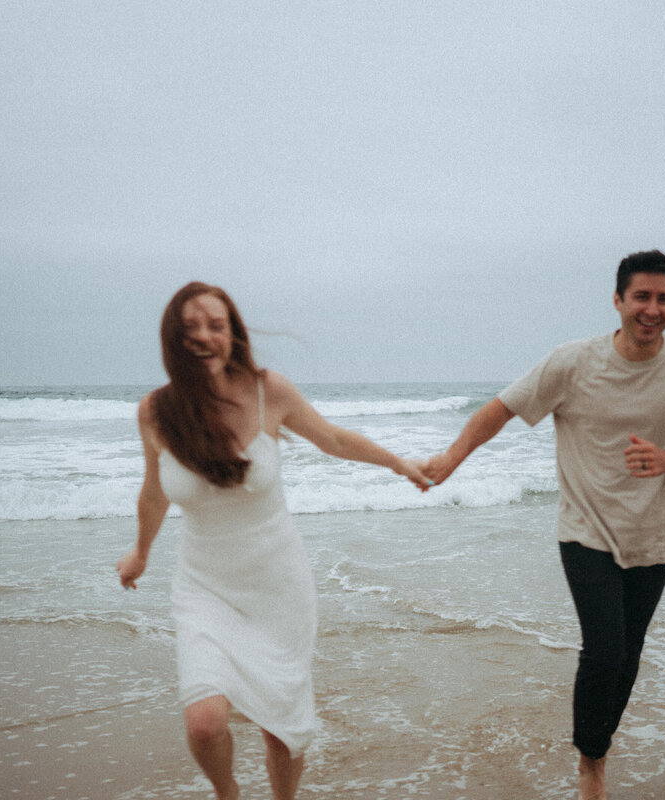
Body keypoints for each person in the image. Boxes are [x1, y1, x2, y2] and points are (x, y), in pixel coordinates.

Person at [423, 250, 665, 800]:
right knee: (605, 650)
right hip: (585, 531)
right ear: (618, 300)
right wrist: (451, 459)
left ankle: (597, 745)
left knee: (629, 656)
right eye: (642, 296)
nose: (652, 309)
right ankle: (591, 765)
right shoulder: (572, 363)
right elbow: (501, 408)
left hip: (654, 537)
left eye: (664, 299)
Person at [116, 282, 430, 800]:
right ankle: (228, 793)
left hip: (276, 588)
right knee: (204, 723)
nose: (203, 336)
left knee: (281, 728)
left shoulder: (270, 391)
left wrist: (400, 464)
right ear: (173, 339)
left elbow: (333, 439)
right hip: (204, 586)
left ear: (233, 334)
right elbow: (154, 492)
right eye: (190, 327)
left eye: (216, 325)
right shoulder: (157, 412)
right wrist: (141, 552)